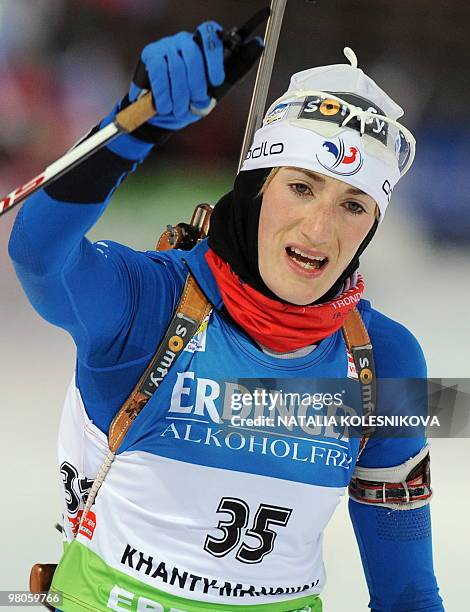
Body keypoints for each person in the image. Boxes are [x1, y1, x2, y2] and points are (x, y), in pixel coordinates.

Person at [9, 20, 444, 612]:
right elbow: (39, 255)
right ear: (258, 188)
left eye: (352, 204)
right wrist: (131, 128)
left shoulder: (382, 360)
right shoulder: (152, 304)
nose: (320, 230)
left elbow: (408, 593)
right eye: (300, 187)